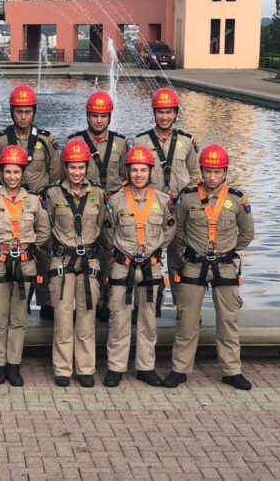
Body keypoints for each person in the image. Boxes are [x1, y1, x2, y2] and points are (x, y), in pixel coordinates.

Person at [162, 144, 255, 391]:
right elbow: (178, 231)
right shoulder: (188, 197)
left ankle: (231, 371)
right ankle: (179, 369)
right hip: (194, 264)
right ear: (201, 170)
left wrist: (227, 249)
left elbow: (247, 234)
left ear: (225, 172)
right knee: (187, 319)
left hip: (224, 265)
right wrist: (192, 251)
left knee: (228, 320)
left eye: (217, 172)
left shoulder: (237, 199)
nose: (212, 176)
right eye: (207, 171)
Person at [103, 147, 175, 388]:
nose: (139, 175)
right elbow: (108, 231)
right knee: (119, 317)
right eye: (134, 170)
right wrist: (125, 249)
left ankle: (146, 367)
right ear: (128, 171)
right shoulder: (116, 200)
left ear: (150, 171)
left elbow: (170, 229)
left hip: (151, 267)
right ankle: (116, 367)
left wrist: (155, 248)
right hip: (123, 265)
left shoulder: (163, 201)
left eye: (143, 170)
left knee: (148, 319)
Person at [0, 145, 51, 386]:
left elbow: (43, 232)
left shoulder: (33, 201)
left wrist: (28, 249)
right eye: (8, 172)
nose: (12, 177)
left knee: (18, 318)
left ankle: (14, 364)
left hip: (25, 265)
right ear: (1, 173)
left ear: (23, 173)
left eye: (16, 172)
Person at [0, 85, 61, 322]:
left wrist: (42, 196)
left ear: (34, 112)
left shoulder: (45, 139)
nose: (23, 116)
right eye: (19, 111)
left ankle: (45, 302)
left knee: (43, 253)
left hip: (38, 202)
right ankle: (9, 301)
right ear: (12, 112)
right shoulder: (1, 140)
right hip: (10, 203)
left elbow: (55, 172)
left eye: (28, 111)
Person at [46, 139, 106, 388]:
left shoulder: (98, 195)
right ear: (66, 167)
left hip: (89, 260)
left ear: (87, 167)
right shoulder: (53, 194)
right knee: (62, 317)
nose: (77, 172)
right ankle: (62, 368)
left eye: (81, 167)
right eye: (72, 167)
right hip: (63, 259)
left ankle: (85, 367)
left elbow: (102, 226)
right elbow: (46, 227)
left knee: (86, 317)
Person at [132, 87, 200, 309]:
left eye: (169, 112)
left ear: (176, 113)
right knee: (145, 259)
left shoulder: (187, 142)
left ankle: (183, 308)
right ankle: (148, 307)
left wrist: (180, 196)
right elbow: (132, 175)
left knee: (179, 261)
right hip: (149, 210)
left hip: (179, 211)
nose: (165, 116)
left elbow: (196, 176)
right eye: (160, 112)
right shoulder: (141, 142)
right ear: (154, 113)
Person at [66, 91, 128, 323]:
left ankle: (109, 300)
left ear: (109, 117)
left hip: (111, 204)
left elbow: (126, 175)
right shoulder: (76, 142)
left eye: (103, 115)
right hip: (86, 205)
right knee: (87, 251)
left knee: (112, 251)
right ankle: (89, 299)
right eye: (94, 115)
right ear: (87, 116)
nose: (99, 120)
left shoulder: (120, 143)